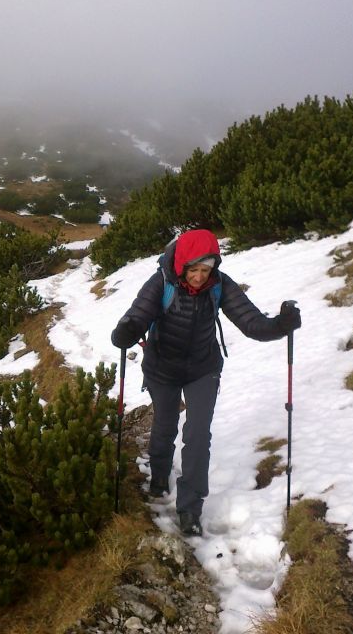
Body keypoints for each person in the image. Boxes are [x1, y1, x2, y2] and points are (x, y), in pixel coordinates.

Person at [110, 229, 301, 537]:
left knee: (198, 434)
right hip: (162, 368)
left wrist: (280, 325)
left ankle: (190, 508)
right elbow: (139, 314)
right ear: (182, 265)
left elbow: (251, 322)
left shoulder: (219, 285)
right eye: (194, 269)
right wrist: (128, 330)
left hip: (203, 368)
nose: (200, 276)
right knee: (165, 425)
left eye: (206, 269)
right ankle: (158, 477)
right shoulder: (162, 281)